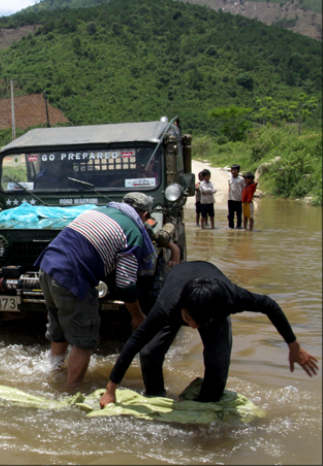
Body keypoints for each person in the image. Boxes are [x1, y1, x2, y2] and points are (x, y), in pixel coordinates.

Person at [100, 261, 319, 407]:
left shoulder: (231, 299)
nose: (194, 328)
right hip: (179, 281)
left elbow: (270, 305)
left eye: (200, 324)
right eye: (189, 321)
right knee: (149, 353)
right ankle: (156, 395)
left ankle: (208, 405)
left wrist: (294, 346)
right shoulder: (168, 306)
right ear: (182, 309)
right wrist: (111, 391)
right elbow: (134, 342)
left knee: (217, 362)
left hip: (210, 301)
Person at [34, 192, 181, 390]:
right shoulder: (133, 232)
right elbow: (126, 284)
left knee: (59, 327)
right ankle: (70, 390)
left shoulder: (98, 211)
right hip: (73, 277)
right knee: (84, 338)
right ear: (145, 215)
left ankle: (55, 373)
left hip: (47, 266)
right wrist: (137, 315)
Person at [227, 164, 245, 229]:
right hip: (230, 199)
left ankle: (238, 227)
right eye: (232, 170)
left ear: (238, 171)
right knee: (231, 215)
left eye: (234, 170)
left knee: (238, 215)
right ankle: (231, 227)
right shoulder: (229, 179)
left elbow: (244, 188)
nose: (233, 171)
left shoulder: (241, 179)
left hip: (238, 200)